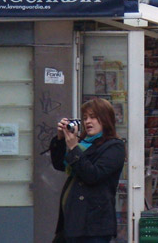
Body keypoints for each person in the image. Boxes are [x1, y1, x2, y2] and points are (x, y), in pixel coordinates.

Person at [50, 98, 126, 243]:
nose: (88, 122)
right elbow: (60, 164)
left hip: (93, 226)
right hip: (72, 222)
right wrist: (60, 140)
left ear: (105, 119)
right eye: (85, 118)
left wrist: (73, 147)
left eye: (93, 117)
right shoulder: (83, 143)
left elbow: (92, 175)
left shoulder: (114, 146)